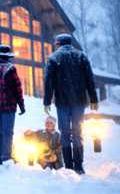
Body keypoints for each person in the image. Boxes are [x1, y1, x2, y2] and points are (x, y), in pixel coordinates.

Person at [43, 33, 99, 174]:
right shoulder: (81, 56)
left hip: (62, 101)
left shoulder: (54, 58)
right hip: (79, 101)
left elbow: (48, 82)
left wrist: (47, 101)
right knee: (78, 132)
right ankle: (79, 166)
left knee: (65, 133)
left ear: (59, 43)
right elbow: (90, 79)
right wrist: (93, 98)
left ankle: (68, 166)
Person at [0, 45, 25, 165]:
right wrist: (21, 105)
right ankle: (6, 158)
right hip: (8, 106)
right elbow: (17, 89)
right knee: (8, 132)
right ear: (7, 57)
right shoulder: (10, 69)